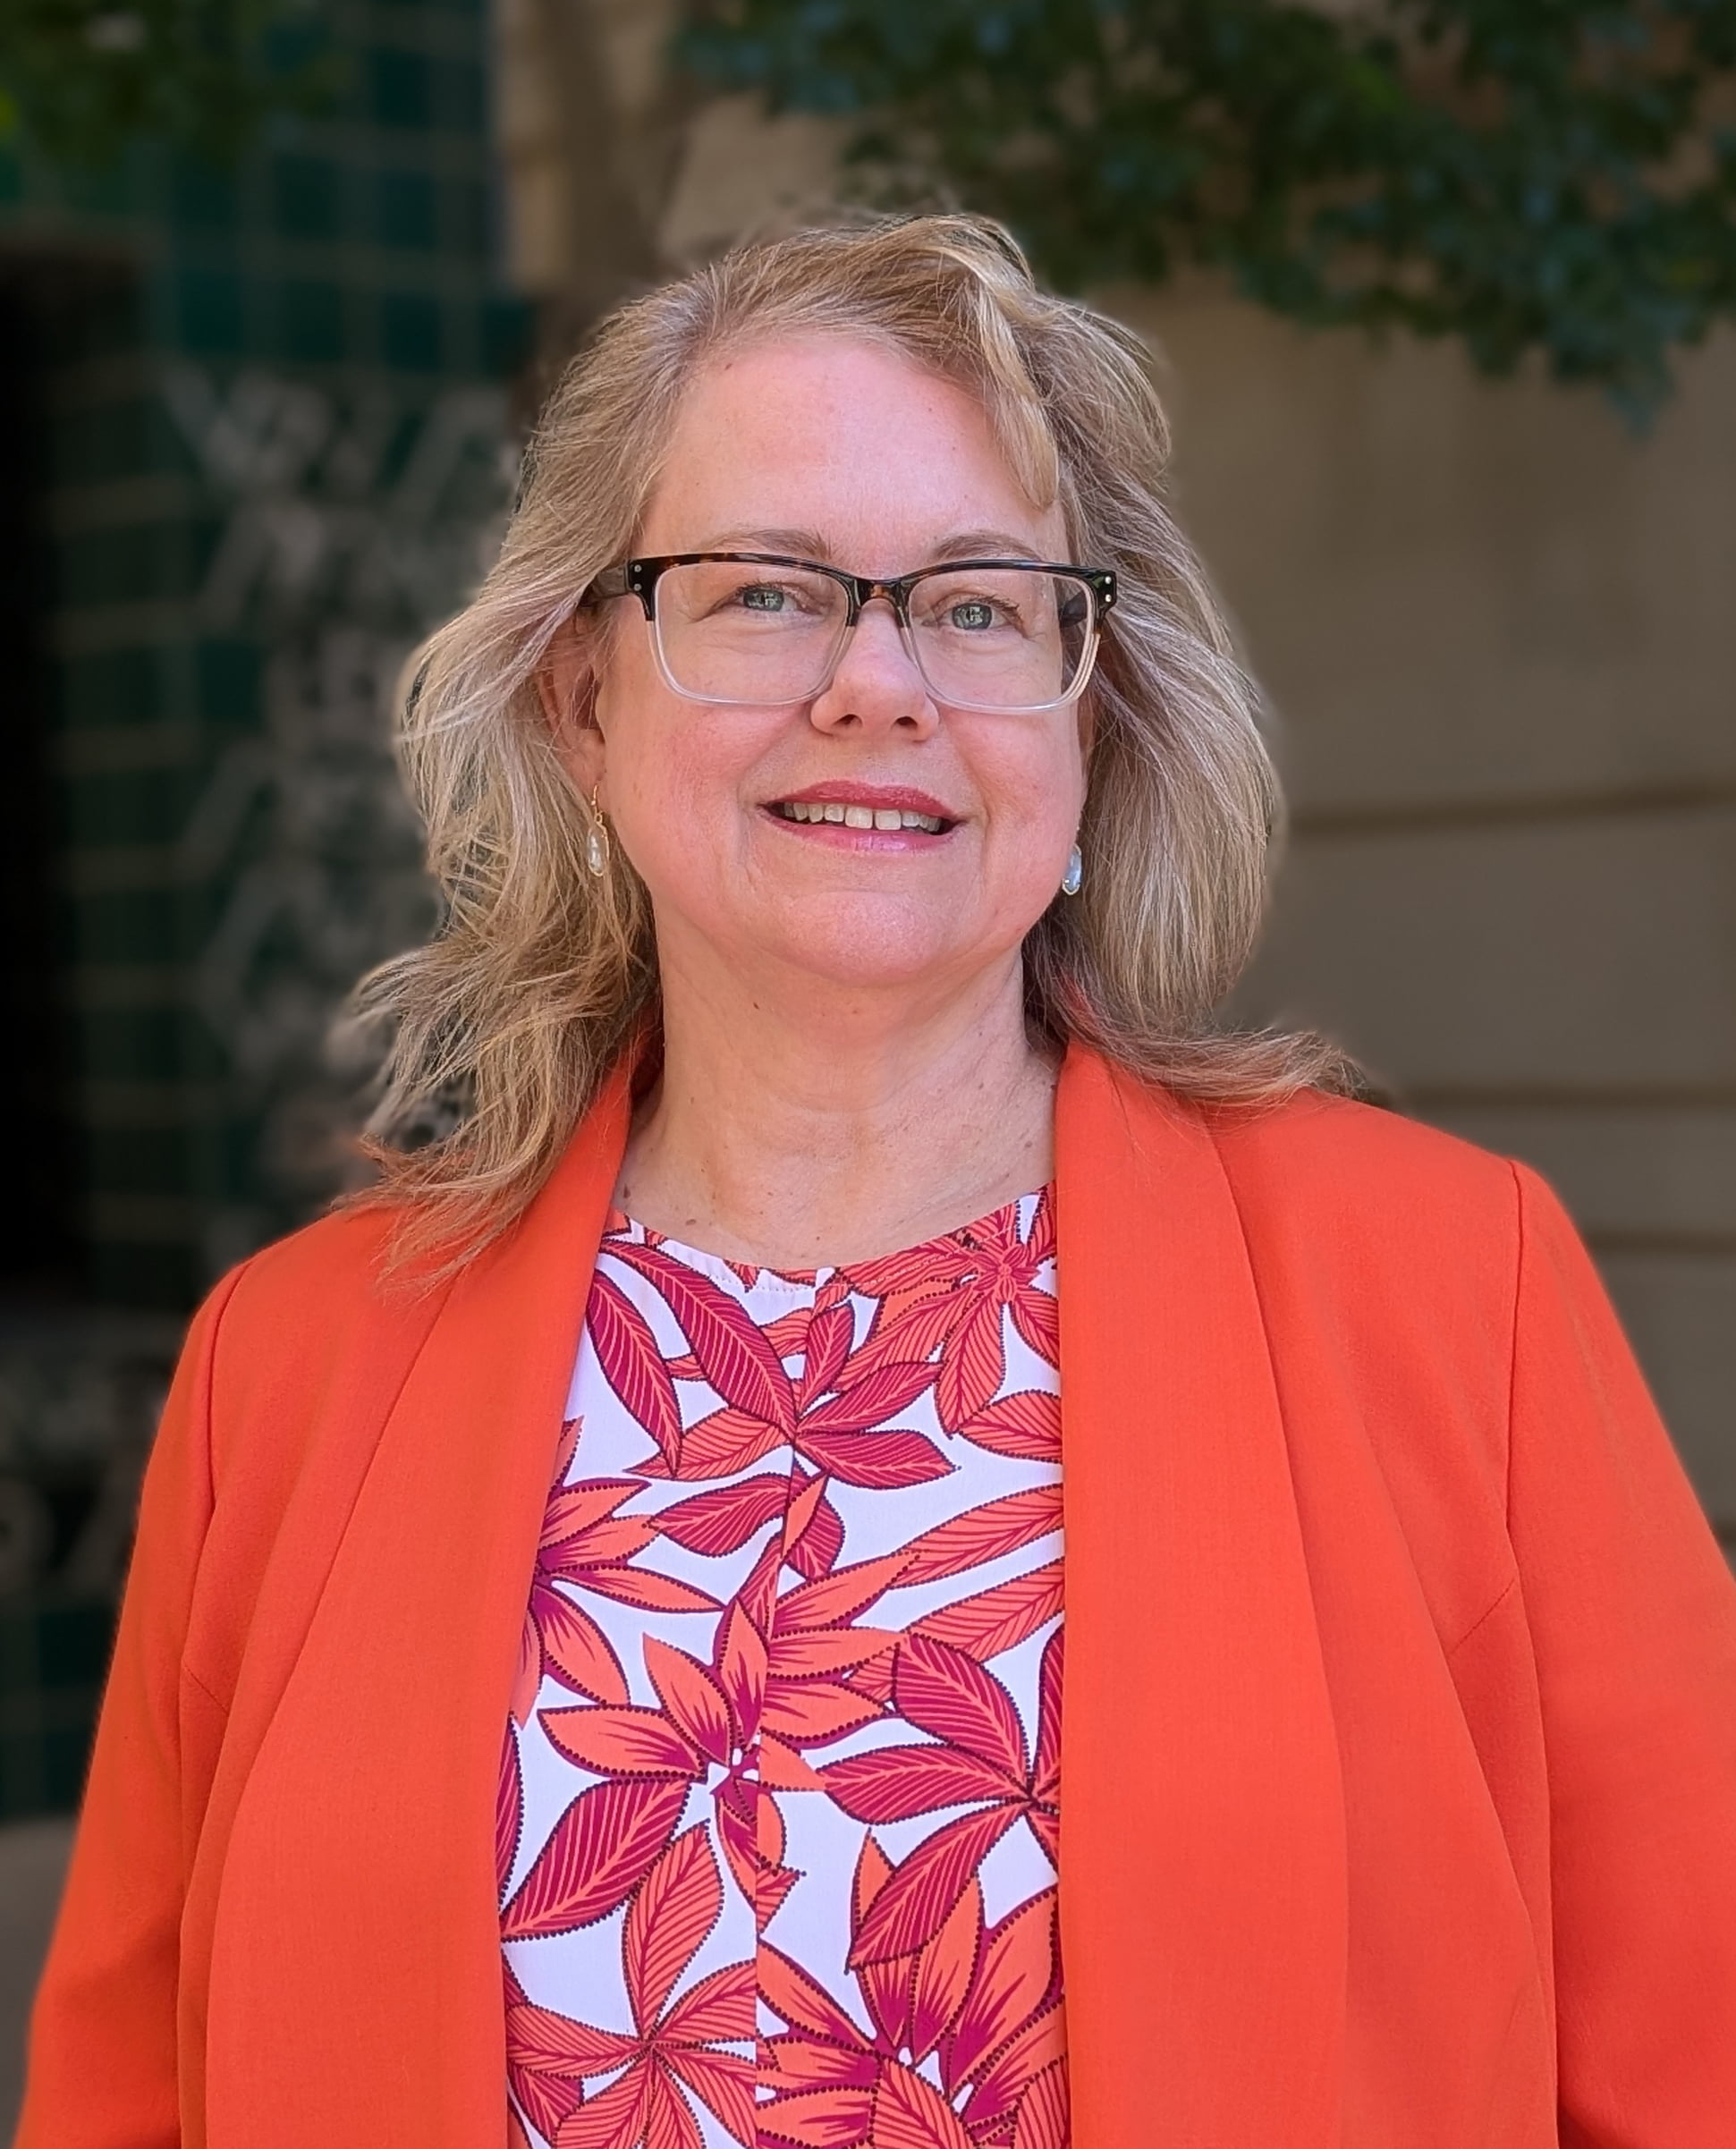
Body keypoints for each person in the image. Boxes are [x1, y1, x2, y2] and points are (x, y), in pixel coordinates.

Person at [17, 214, 1736, 2149]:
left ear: (1087, 717)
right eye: (763, 591)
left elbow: (1692, 2065)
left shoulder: (1446, 1285)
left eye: (981, 605)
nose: (875, 680)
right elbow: (125, 2102)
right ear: (585, 698)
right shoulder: (294, 1362)